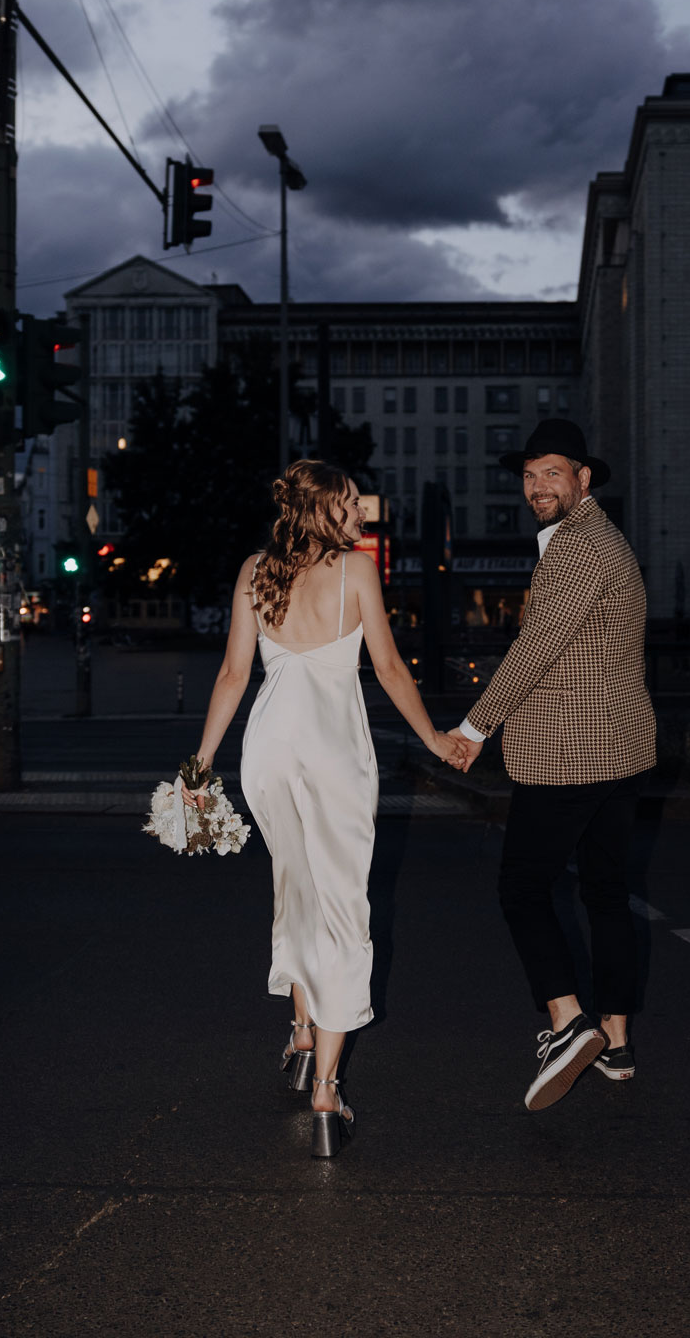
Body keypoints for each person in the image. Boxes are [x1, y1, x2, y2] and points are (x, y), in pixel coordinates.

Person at [184, 460, 464, 1158]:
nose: (361, 517)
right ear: (323, 510)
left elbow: (231, 676)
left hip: (268, 751)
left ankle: (303, 1029)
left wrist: (199, 766)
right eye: (350, 506)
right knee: (342, 907)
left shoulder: (256, 569)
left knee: (296, 887)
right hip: (335, 753)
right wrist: (435, 738)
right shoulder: (356, 571)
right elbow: (392, 669)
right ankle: (327, 1091)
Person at [449, 419, 656, 1112]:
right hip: (621, 750)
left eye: (552, 474)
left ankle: (568, 1024)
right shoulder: (605, 540)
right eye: (530, 475)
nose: (537, 487)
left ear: (583, 479)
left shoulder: (578, 546)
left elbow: (534, 648)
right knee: (605, 893)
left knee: (522, 889)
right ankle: (617, 1044)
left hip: (571, 754)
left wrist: (476, 726)